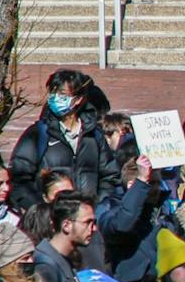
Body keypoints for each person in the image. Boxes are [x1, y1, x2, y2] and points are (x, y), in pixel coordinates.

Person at [9, 69, 112, 209]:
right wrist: (41, 210)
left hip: (86, 217)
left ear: (78, 99)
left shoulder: (94, 136)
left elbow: (110, 177)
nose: (56, 98)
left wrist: (99, 209)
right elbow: (19, 179)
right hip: (50, 217)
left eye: (62, 94)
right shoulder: (38, 134)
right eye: (53, 93)